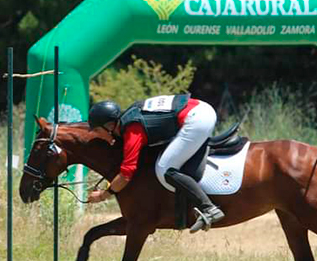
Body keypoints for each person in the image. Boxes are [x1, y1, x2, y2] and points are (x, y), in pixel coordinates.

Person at [87, 94, 224, 233]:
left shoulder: (132, 130)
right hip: (199, 108)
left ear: (110, 126)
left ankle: (209, 208)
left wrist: (103, 195)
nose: (97, 135)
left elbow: (126, 174)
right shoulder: (129, 118)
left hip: (197, 118)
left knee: (165, 169)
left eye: (97, 130)